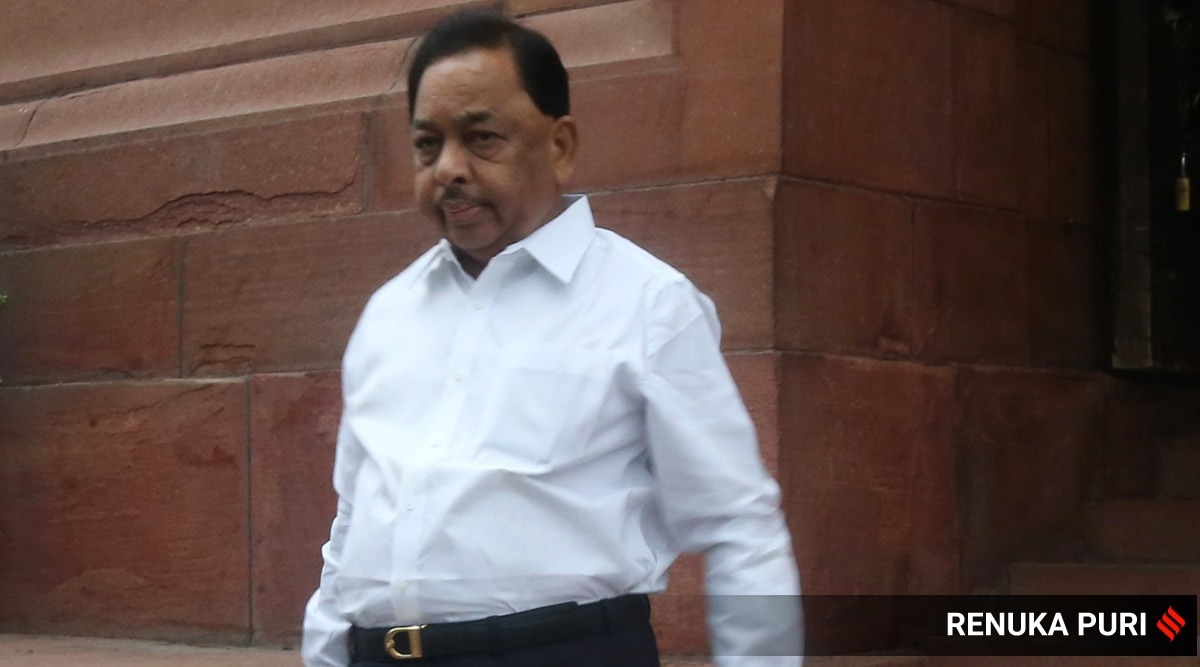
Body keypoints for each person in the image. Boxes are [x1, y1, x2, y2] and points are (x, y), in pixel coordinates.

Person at [302, 9, 801, 667]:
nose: (449, 168)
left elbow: (738, 524)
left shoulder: (647, 303)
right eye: (427, 144)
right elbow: (353, 518)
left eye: (482, 137)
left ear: (560, 146)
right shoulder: (389, 313)